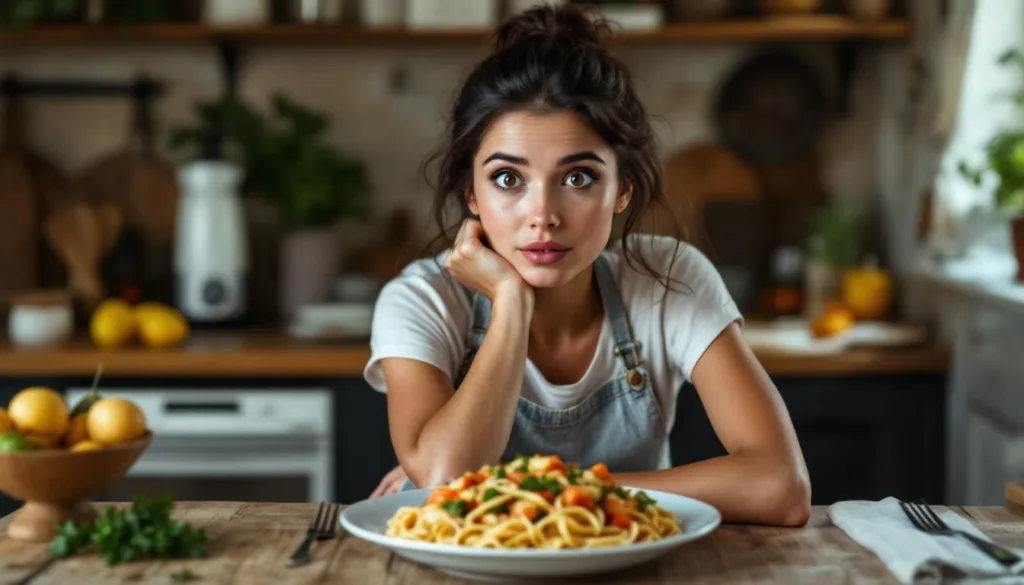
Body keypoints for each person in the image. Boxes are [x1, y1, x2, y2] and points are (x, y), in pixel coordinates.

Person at [362, 5, 811, 527]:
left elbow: (780, 487)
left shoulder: (667, 278)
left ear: (622, 189)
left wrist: (537, 488)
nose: (543, 217)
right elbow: (443, 478)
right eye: (509, 179)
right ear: (472, 193)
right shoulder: (423, 299)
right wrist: (510, 305)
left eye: (578, 178)